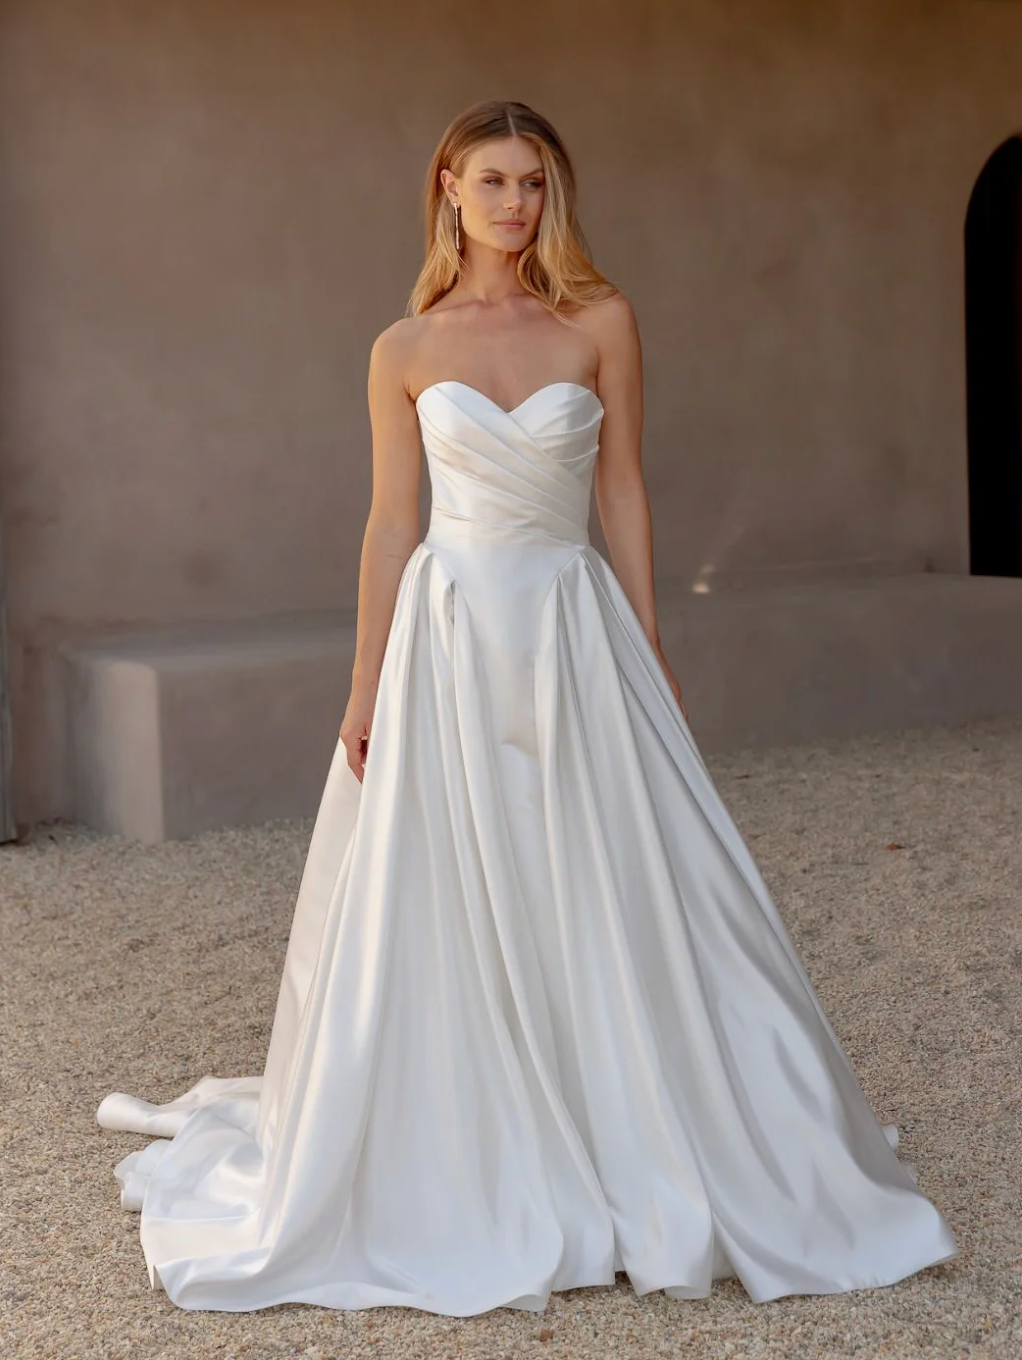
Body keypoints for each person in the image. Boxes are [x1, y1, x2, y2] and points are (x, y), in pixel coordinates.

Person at [97, 98, 958, 1316]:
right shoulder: (404, 347)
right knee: (448, 886)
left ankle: (641, 1126)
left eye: (535, 184)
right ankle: (478, 1138)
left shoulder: (598, 321)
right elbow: (393, 522)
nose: (516, 205)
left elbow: (625, 492)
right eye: (494, 181)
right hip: (447, 638)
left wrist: (649, 645)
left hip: (569, 625)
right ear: (447, 186)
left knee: (617, 876)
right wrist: (363, 681)